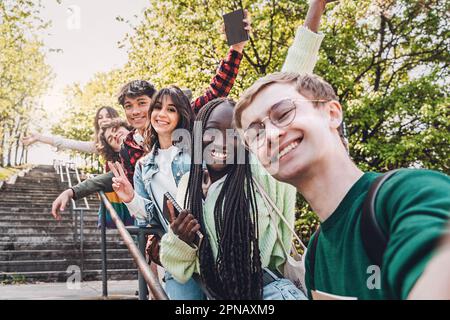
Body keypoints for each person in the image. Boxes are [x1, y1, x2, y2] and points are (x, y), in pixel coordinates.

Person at [233, 71, 450, 299]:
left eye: (284, 113)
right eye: (255, 134)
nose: (270, 135)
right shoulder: (316, 255)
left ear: (332, 113)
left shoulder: (410, 193)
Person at [159, 98, 305, 300]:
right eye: (212, 130)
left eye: (235, 134)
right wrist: (180, 241)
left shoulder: (262, 171)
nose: (222, 142)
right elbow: (181, 269)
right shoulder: (188, 185)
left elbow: (287, 96)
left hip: (268, 293)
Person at [22, 106, 120, 154]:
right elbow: (68, 143)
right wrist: (39, 137)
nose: (104, 120)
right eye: (100, 117)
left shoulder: (126, 135)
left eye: (108, 116)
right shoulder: (99, 146)